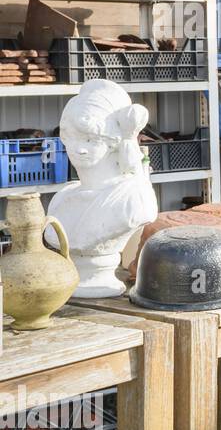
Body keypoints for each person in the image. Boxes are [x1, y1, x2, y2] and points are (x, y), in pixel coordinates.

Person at [48, 79, 157, 297]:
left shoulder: (132, 199)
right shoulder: (61, 199)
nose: (79, 149)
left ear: (112, 142)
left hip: (103, 281)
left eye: (91, 140)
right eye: (73, 138)